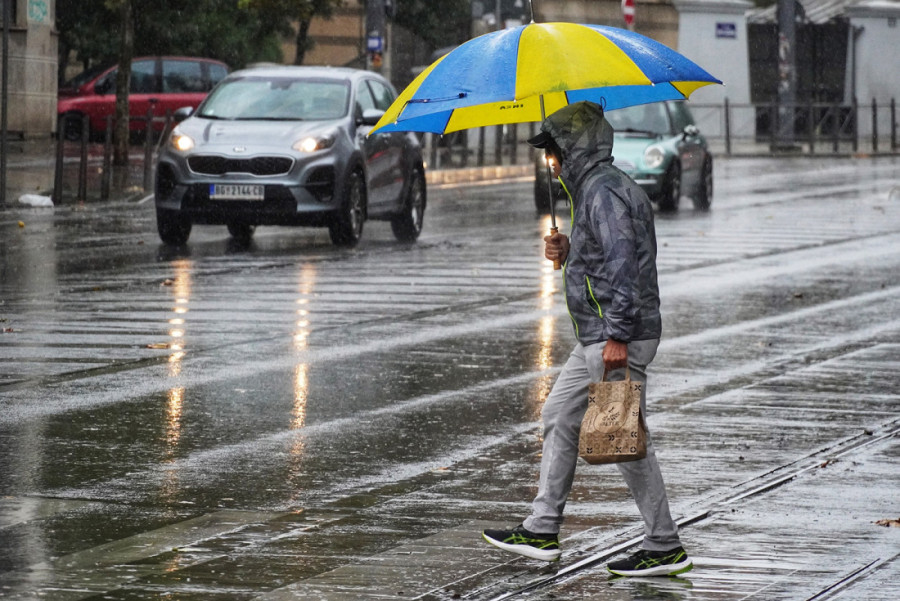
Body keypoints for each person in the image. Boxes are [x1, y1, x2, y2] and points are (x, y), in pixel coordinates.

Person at [481, 101, 692, 577]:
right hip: (596, 336)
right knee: (560, 415)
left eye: (553, 150)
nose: (550, 160)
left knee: (624, 440)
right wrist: (568, 252)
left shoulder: (601, 192)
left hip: (613, 336)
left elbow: (622, 268)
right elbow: (609, 257)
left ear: (573, 148)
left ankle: (664, 544)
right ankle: (541, 529)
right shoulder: (598, 189)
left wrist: (617, 334)